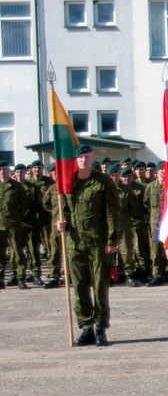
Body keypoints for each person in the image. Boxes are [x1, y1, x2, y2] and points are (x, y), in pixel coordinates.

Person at [54, 145, 121, 346]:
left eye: (87, 156)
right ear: (76, 160)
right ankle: (86, 327)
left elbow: (113, 212)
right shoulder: (67, 183)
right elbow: (59, 211)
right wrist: (58, 223)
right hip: (75, 244)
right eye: (80, 157)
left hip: (98, 244)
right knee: (80, 286)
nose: (84, 160)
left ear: (92, 158)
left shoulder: (103, 182)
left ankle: (101, 327)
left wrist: (112, 240)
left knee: (100, 285)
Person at [0, 160, 29, 290]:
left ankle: (20, 278)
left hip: (13, 224)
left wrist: (17, 218)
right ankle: (0, 279)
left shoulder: (17, 187)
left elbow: (24, 206)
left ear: (9, 171)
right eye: (0, 169)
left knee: (17, 251)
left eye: (5, 169)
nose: (2, 172)